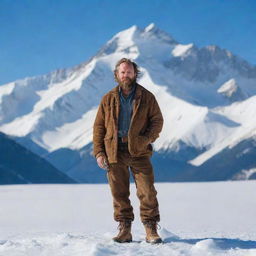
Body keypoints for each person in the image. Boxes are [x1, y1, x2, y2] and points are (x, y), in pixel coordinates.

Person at [93, 58, 164, 244]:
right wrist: (99, 153)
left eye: (129, 72)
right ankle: (125, 230)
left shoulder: (147, 97)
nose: (126, 75)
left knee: (147, 191)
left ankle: (151, 229)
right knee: (119, 193)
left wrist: (145, 139)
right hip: (114, 151)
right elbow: (99, 127)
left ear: (135, 74)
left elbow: (157, 121)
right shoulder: (107, 99)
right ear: (117, 75)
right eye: (122, 72)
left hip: (139, 152)